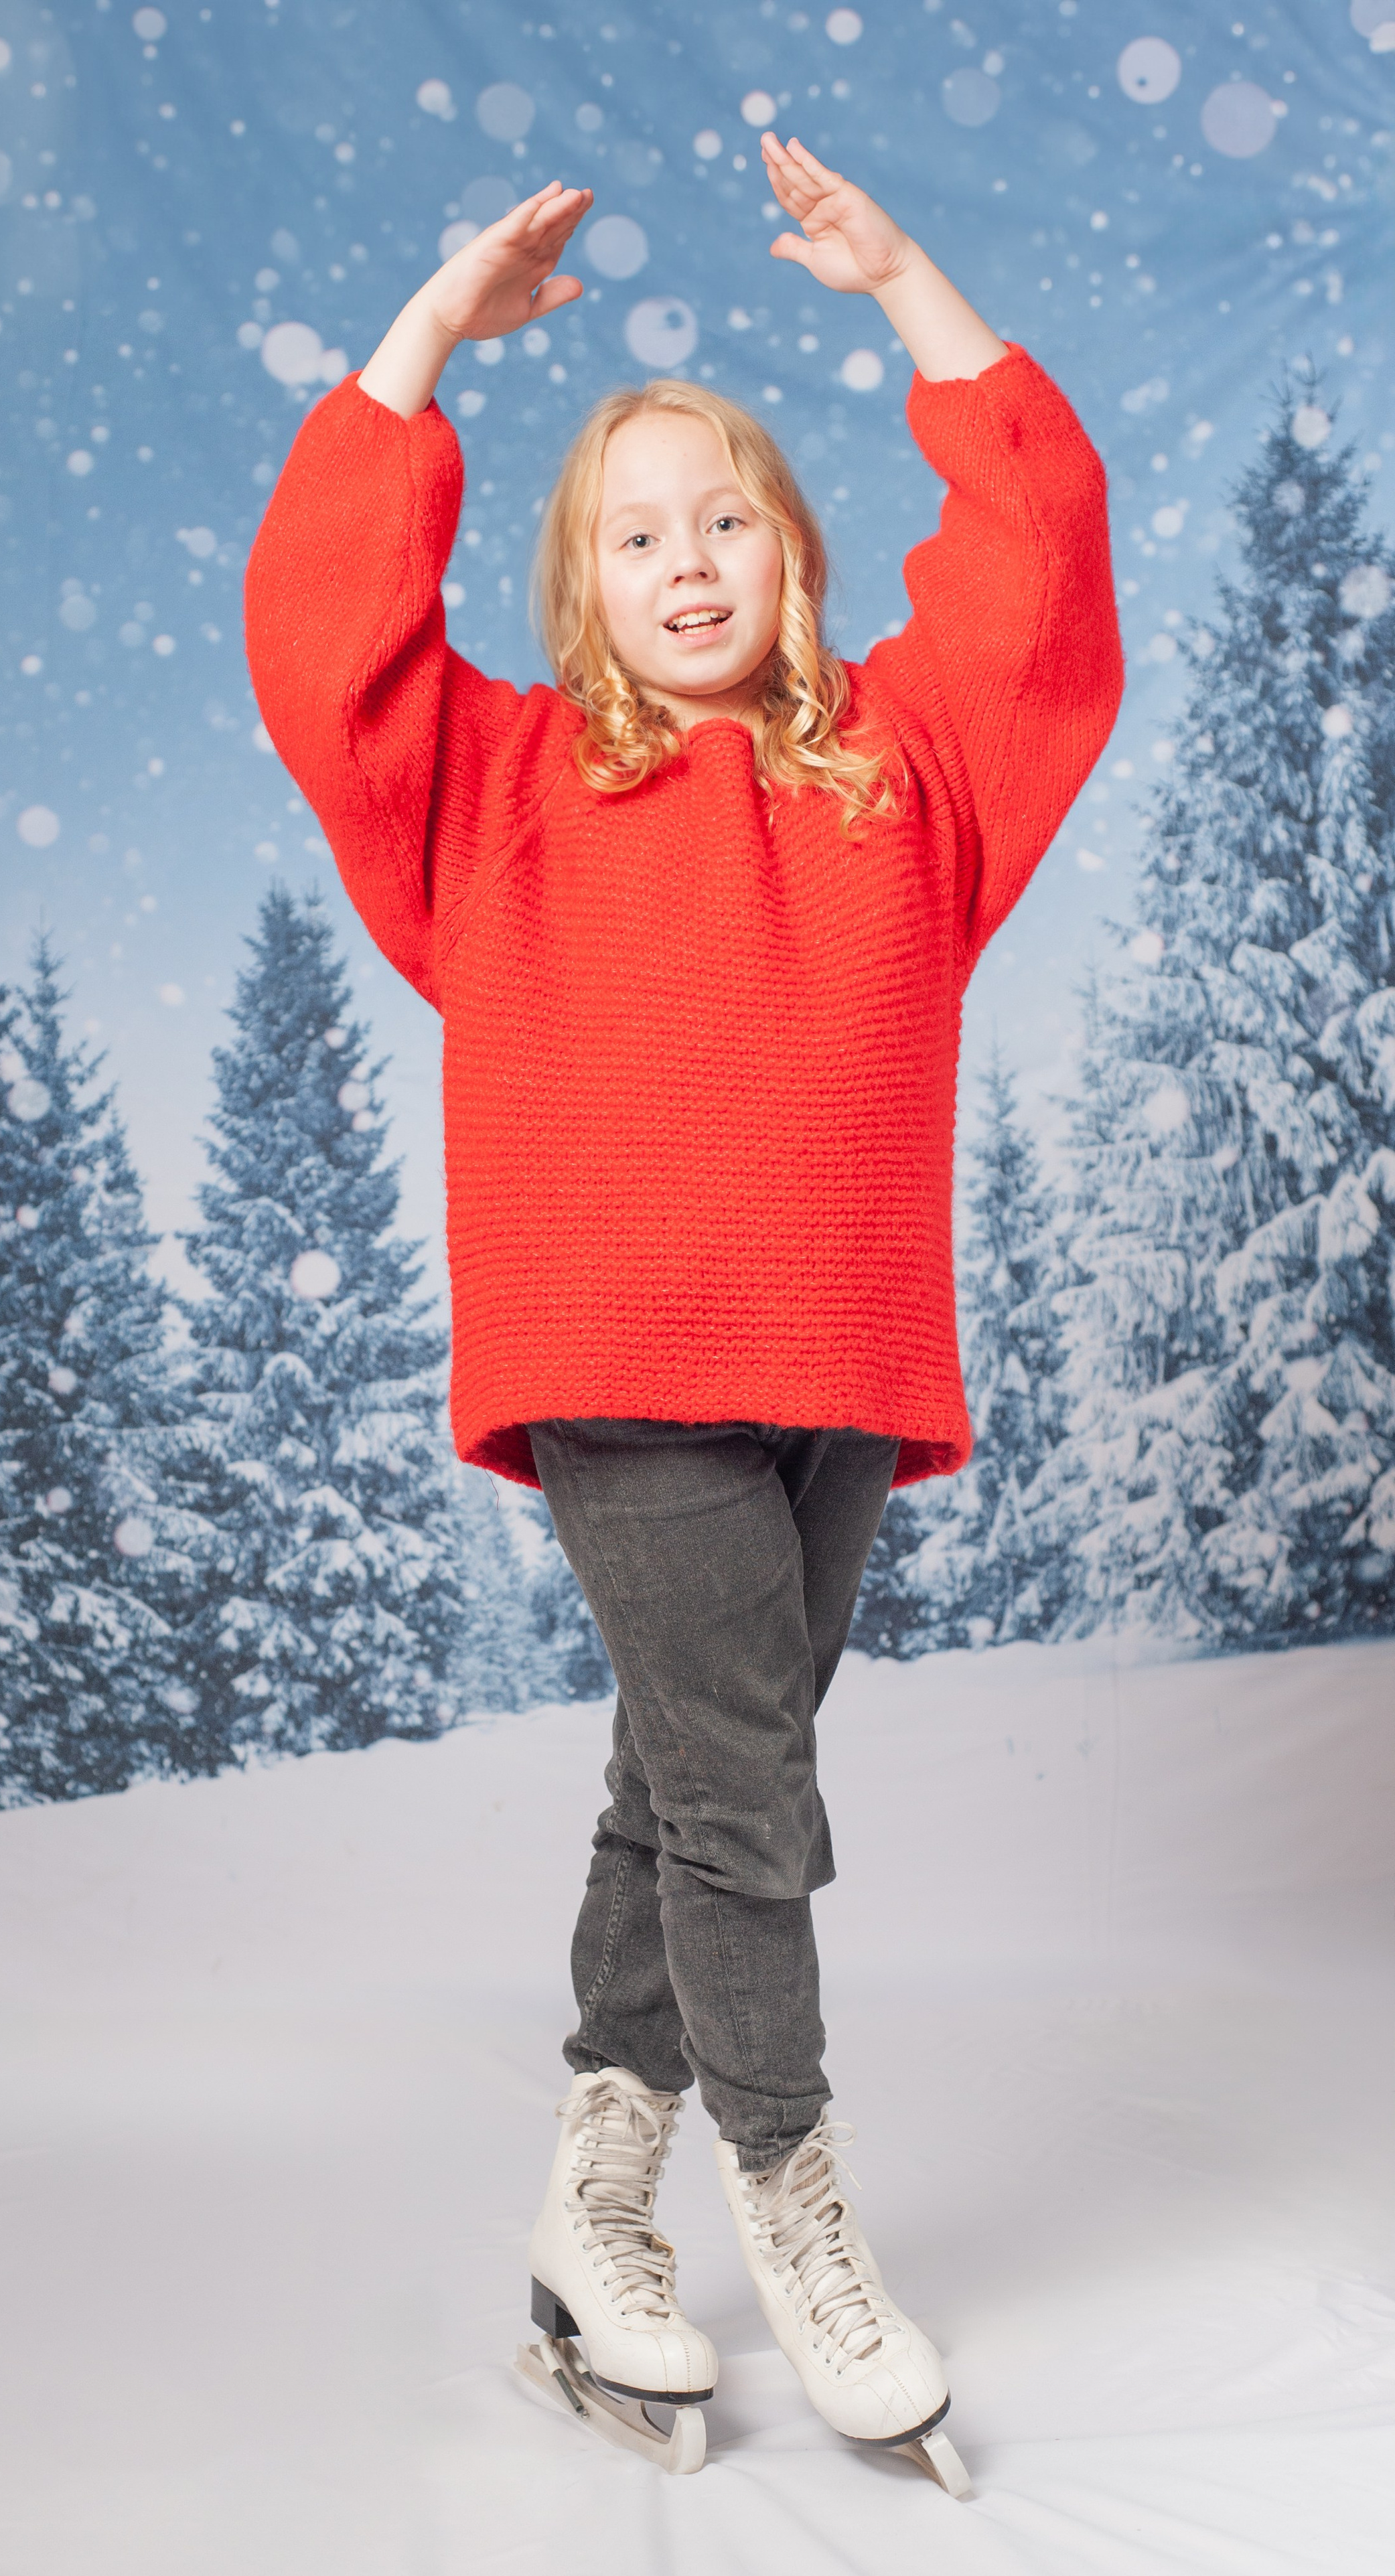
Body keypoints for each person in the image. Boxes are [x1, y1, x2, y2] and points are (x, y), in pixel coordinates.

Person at [245, 137, 1121, 2484]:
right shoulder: (500, 790)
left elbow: (1041, 595)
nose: (688, 562)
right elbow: (329, 647)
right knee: (752, 1800)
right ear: (578, 588)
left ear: (801, 560)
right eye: (636, 534)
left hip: (836, 1359)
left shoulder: (902, 777)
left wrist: (922, 289)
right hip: (621, 1371)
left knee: (684, 1785)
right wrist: (426, 337)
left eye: (726, 518)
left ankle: (590, 2207)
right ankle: (795, 2200)